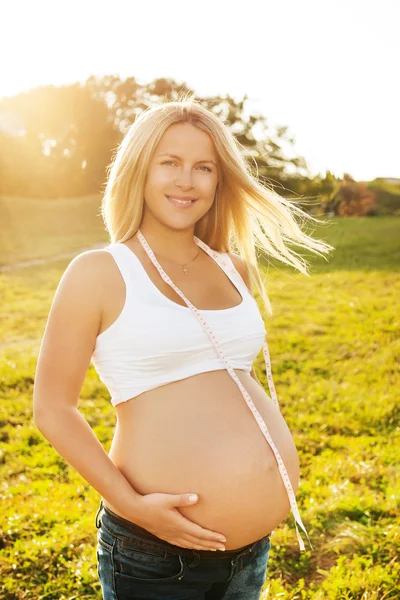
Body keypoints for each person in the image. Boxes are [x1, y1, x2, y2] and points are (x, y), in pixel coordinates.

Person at [33, 96, 334, 599]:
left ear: (220, 181)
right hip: (155, 555)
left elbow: (229, 384)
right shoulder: (99, 272)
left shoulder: (234, 268)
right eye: (168, 163)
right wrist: (131, 505)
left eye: (204, 168)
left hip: (251, 552)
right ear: (139, 171)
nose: (186, 181)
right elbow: (52, 409)